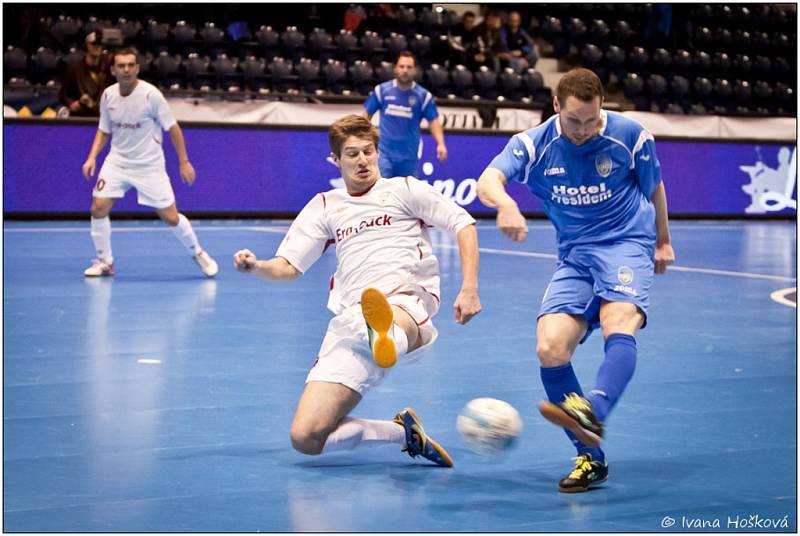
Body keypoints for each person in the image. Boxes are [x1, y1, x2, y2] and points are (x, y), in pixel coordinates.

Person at [233, 114, 481, 467]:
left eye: (368, 151)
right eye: (352, 154)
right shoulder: (325, 206)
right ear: (335, 160)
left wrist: (469, 288)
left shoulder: (404, 190)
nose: (362, 160)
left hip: (405, 302)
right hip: (350, 321)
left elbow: (463, 223)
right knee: (306, 437)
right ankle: (403, 433)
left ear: (378, 153)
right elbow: (288, 266)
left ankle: (385, 334)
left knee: (388, 322)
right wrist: (255, 266)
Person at [476, 68, 675, 492]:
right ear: (555, 108)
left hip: (627, 243)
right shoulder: (533, 144)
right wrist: (506, 204)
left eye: (591, 119)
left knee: (619, 319)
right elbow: (488, 180)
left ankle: (594, 413)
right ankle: (591, 457)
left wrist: (663, 240)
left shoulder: (630, 136)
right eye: (574, 121)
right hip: (575, 254)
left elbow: (654, 188)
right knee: (550, 348)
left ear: (602, 108)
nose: (583, 129)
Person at [81, 47, 218, 278]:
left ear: (137, 68)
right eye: (121, 65)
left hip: (149, 166)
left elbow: (173, 128)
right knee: (98, 208)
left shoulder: (151, 95)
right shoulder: (107, 95)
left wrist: (184, 161)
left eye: (130, 65)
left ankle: (198, 253)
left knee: (171, 217)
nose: (126, 69)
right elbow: (104, 130)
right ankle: (105, 262)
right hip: (117, 162)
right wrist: (92, 156)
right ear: (113, 70)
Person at [363, 51, 447, 178]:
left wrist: (441, 144)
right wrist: (362, 138)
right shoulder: (382, 91)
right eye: (401, 66)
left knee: (407, 195)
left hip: (409, 158)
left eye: (409, 67)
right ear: (395, 68)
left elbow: (433, 121)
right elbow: (366, 115)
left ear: (415, 70)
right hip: (384, 155)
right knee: (382, 192)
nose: (405, 70)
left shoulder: (423, 96)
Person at [59, 31, 109, 117]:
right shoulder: (74, 67)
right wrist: (72, 104)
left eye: (99, 44)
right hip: (81, 115)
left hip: (101, 115)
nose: (97, 47)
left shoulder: (107, 66)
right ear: (86, 45)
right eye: (93, 44)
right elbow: (63, 95)